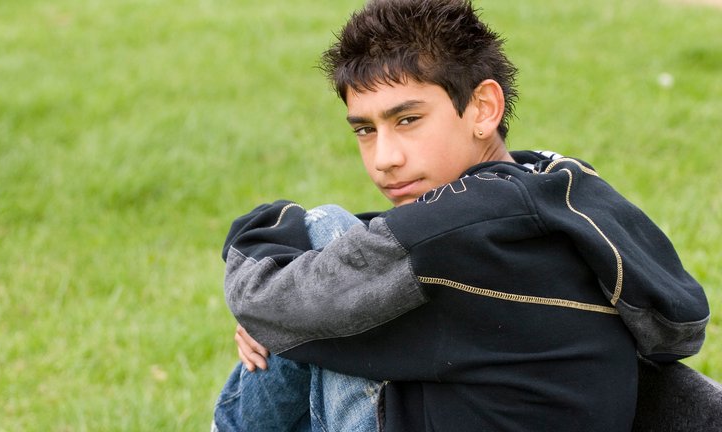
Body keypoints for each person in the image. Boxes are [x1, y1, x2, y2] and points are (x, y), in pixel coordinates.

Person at [215, 0, 710, 431]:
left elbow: (263, 299)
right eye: (365, 131)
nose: (384, 158)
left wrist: (269, 251)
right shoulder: (558, 187)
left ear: (483, 108)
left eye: (407, 120)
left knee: (320, 233)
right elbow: (675, 335)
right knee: (324, 284)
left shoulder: (447, 236)